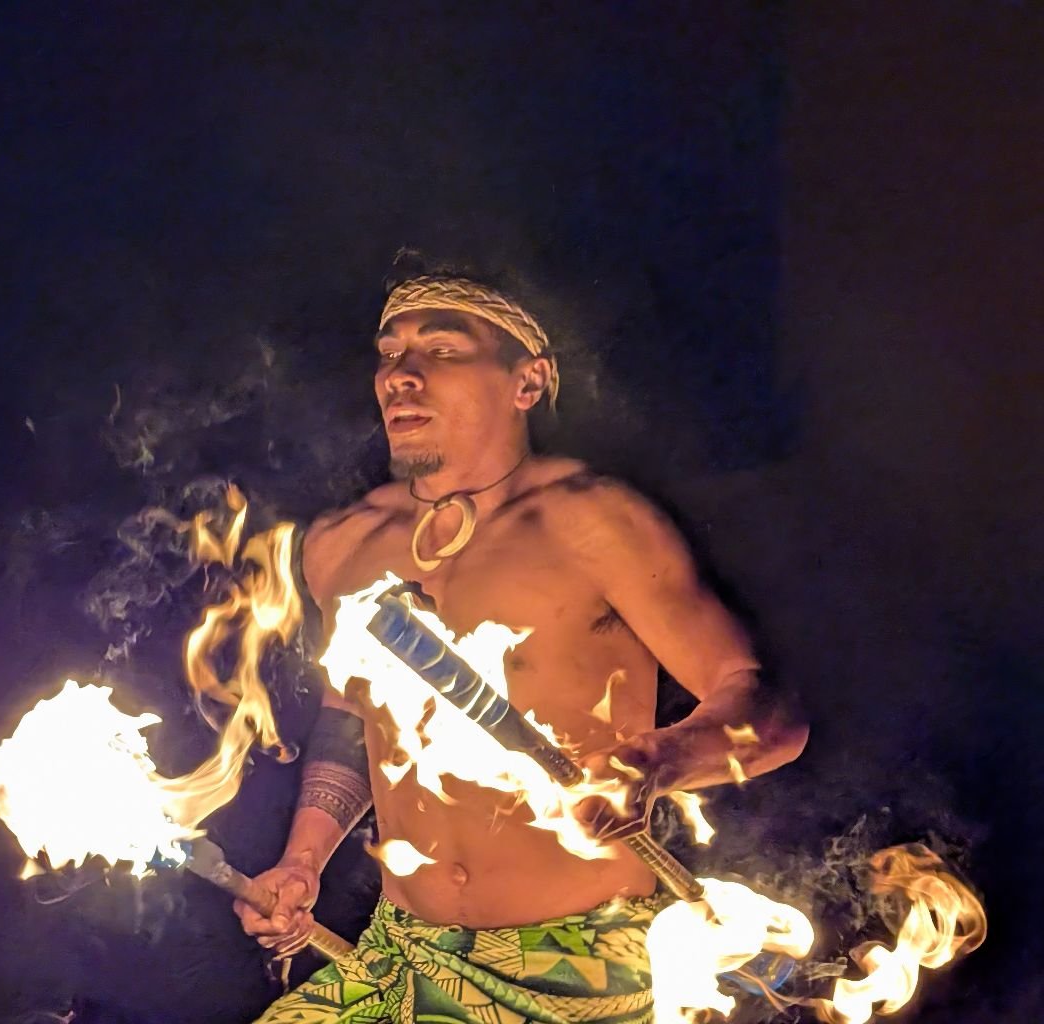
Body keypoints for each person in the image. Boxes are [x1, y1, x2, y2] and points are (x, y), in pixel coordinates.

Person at [235, 268, 809, 1023]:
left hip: (579, 962)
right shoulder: (342, 545)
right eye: (390, 352)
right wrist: (303, 860)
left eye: (441, 349)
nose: (401, 374)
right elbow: (353, 714)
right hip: (405, 950)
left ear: (527, 381)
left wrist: (654, 764)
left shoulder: (591, 521)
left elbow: (768, 713)